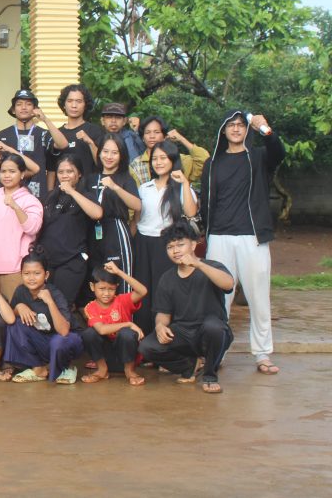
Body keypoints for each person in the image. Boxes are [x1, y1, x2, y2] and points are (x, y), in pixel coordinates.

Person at [200, 109, 284, 376]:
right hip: (219, 237)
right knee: (218, 299)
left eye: (240, 125)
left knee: (258, 297)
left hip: (252, 237)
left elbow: (278, 152)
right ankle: (217, 352)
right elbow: (206, 202)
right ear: (223, 130)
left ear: (247, 130)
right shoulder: (213, 162)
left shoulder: (257, 157)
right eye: (231, 125)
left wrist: (265, 129)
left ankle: (262, 354)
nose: (236, 129)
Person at [138, 222, 235, 394]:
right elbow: (163, 313)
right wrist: (160, 326)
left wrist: (198, 264)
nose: (175, 251)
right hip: (183, 332)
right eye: (170, 247)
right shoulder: (167, 278)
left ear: (193, 245)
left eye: (180, 245)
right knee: (147, 347)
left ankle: (210, 376)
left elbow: (228, 284)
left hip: (209, 330)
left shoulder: (211, 266)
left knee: (214, 328)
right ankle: (189, 366)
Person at [133, 140, 197, 334]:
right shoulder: (144, 188)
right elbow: (137, 219)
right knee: (143, 289)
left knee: (164, 290)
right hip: (143, 243)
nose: (158, 162)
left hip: (167, 244)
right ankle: (144, 337)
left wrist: (185, 183)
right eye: (155, 159)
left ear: (172, 160)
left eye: (163, 158)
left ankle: (166, 335)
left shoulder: (180, 187)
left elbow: (191, 212)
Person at [5, 253, 82, 384]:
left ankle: (66, 368)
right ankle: (38, 368)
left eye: (37, 273)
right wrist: (19, 307)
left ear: (46, 275)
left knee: (59, 341)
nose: (31, 278)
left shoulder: (55, 294)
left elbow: (64, 331)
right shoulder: (21, 291)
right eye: (26, 273)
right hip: (42, 341)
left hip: (66, 341)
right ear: (21, 274)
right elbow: (10, 317)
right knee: (15, 324)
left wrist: (50, 302)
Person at [0, 154, 44, 301]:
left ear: (22, 174)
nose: (7, 175)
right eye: (3, 171)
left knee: (14, 310)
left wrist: (15, 206)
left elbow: (33, 228)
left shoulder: (30, 201)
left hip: (17, 269)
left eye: (12, 171)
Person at [37, 155, 102, 306]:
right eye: (61, 172)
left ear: (79, 174)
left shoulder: (85, 195)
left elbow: (97, 213)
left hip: (71, 261)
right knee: (44, 305)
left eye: (70, 171)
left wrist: (72, 191)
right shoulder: (50, 197)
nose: (64, 175)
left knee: (61, 305)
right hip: (48, 262)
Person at [80, 263, 148, 386]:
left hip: (128, 356)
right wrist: (128, 324)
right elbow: (101, 330)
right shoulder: (90, 307)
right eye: (102, 288)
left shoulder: (122, 301)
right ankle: (102, 370)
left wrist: (119, 272)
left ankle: (130, 371)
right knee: (89, 334)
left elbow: (143, 291)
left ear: (116, 287)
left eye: (111, 289)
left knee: (126, 334)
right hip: (106, 358)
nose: (106, 293)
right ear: (92, 287)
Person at [88, 134, 141, 286]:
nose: (109, 156)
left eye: (114, 152)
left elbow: (137, 205)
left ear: (121, 155)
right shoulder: (90, 178)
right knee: (97, 280)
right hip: (93, 232)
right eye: (105, 151)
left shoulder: (125, 178)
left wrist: (115, 187)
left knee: (120, 279)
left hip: (116, 231)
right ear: (99, 153)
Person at [0, 90, 57, 201]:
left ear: (35, 109)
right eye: (19, 104)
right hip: (9, 195)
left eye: (28, 104)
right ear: (13, 110)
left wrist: (45, 119)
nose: (24, 107)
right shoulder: (2, 135)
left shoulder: (44, 134)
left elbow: (62, 146)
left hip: (39, 194)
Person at [46, 83, 103, 184]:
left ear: (85, 105)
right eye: (70, 101)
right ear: (64, 104)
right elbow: (51, 169)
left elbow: (102, 163)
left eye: (79, 101)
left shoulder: (95, 131)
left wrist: (90, 142)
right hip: (61, 190)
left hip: (88, 189)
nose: (74, 105)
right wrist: (50, 192)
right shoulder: (55, 134)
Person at [130, 116, 210, 186]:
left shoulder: (179, 159)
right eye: (147, 132)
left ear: (164, 136)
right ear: (143, 138)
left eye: (157, 132)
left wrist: (181, 139)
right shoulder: (136, 165)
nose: (152, 136)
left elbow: (205, 161)